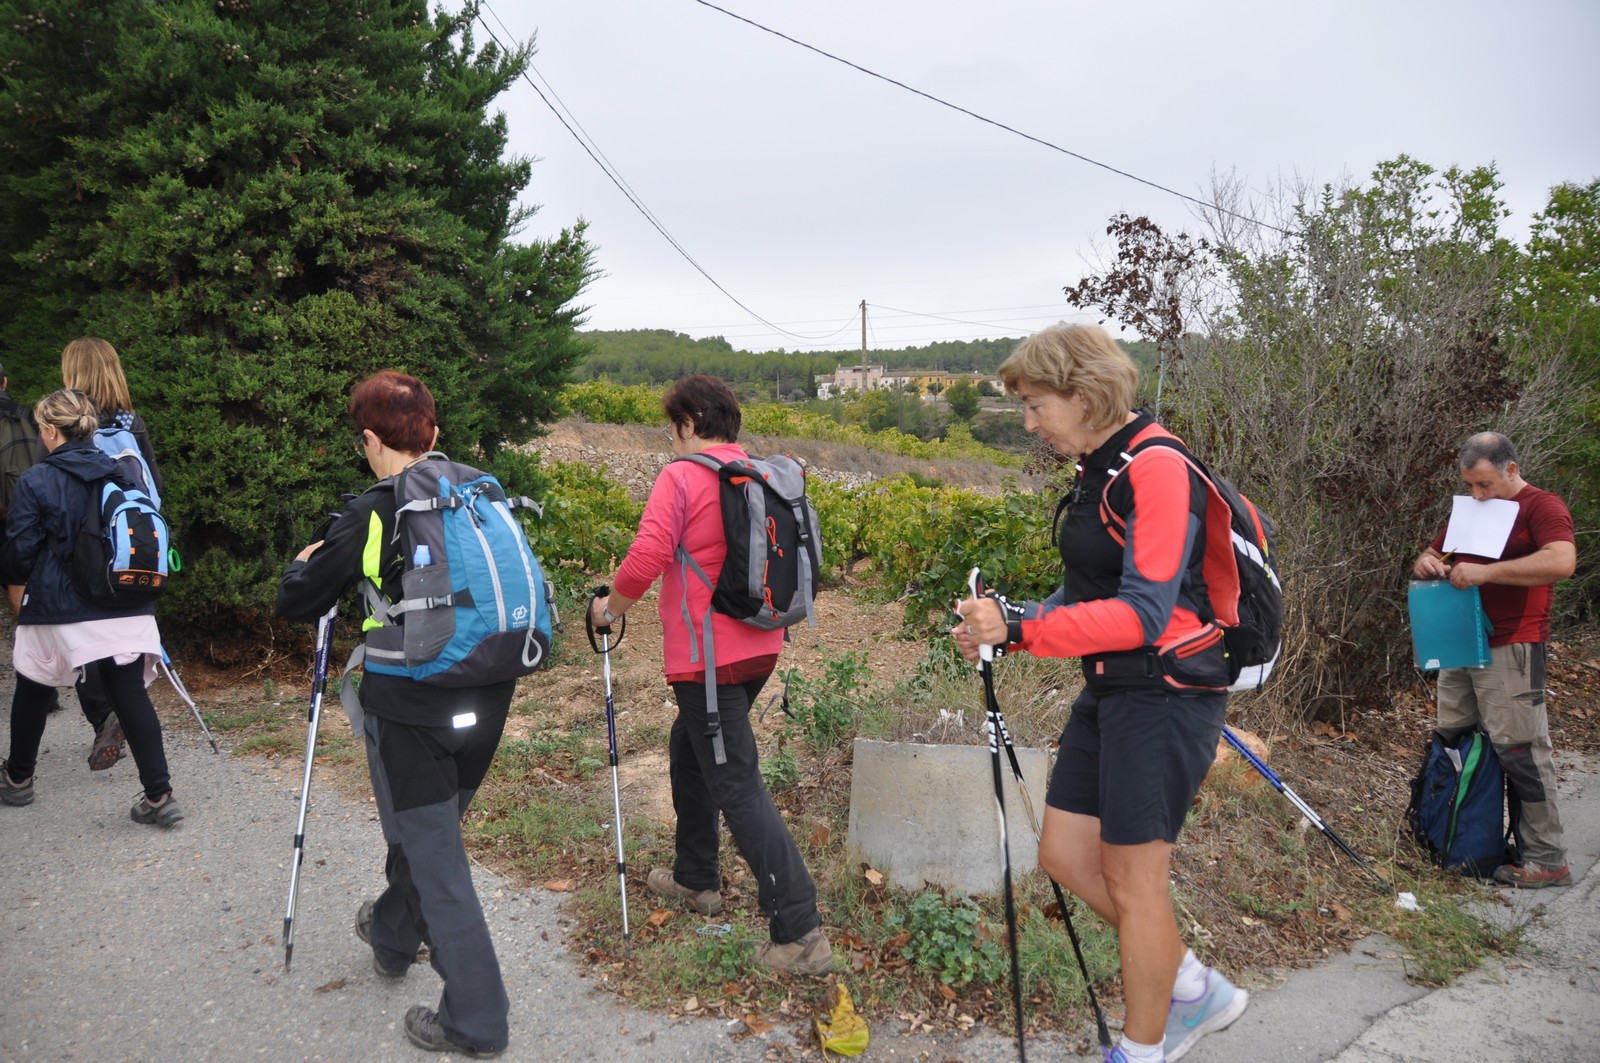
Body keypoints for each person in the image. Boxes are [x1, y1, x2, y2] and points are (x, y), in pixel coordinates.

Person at [953, 324, 1247, 1063]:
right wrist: (1010, 621)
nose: (1028, 423)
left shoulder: (1157, 467)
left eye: (1035, 405)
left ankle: (1142, 1049)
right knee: (1064, 852)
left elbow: (1144, 613)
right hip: (1114, 685)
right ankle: (1190, 983)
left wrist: (1021, 629)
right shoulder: (1100, 467)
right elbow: (1085, 594)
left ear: (1082, 396)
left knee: (1134, 878)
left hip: (1167, 691)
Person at [277, 370, 511, 1058]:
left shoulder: (375, 510)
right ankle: (391, 934)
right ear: (434, 434)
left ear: (370, 440)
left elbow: (300, 599)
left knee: (433, 854)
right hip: (491, 690)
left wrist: (300, 565)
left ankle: (477, 1018)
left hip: (413, 703)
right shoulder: (479, 490)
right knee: (428, 835)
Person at [588, 374, 832, 976]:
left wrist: (607, 609)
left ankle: (800, 932)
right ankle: (696, 878)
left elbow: (647, 557)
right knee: (689, 750)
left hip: (707, 660)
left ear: (689, 424)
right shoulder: (757, 473)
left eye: (673, 427)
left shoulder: (682, 476)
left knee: (736, 783)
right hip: (760, 646)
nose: (672, 439)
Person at [0, 389, 180, 824]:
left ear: (49, 431)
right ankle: (160, 796)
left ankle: (18, 778)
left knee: (34, 684)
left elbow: (19, 554)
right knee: (128, 691)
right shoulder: (121, 471)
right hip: (127, 599)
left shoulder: (36, 480)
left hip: (60, 606)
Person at [1412, 431, 1576, 888]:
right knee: (1456, 742)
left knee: (1520, 750)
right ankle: (1460, 843)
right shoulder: (1471, 509)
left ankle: (1546, 858)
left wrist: (1487, 573)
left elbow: (1562, 561)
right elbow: (1435, 551)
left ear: (1511, 469)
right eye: (1469, 485)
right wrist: (1427, 561)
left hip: (1513, 645)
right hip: (1459, 641)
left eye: (1484, 484)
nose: (1477, 494)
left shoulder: (1542, 506)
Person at [61, 337, 165, 772]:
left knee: (85, 639)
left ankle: (103, 715)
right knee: (124, 637)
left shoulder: (65, 422)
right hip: (129, 549)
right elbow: (153, 486)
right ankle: (128, 718)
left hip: (85, 548)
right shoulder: (131, 422)